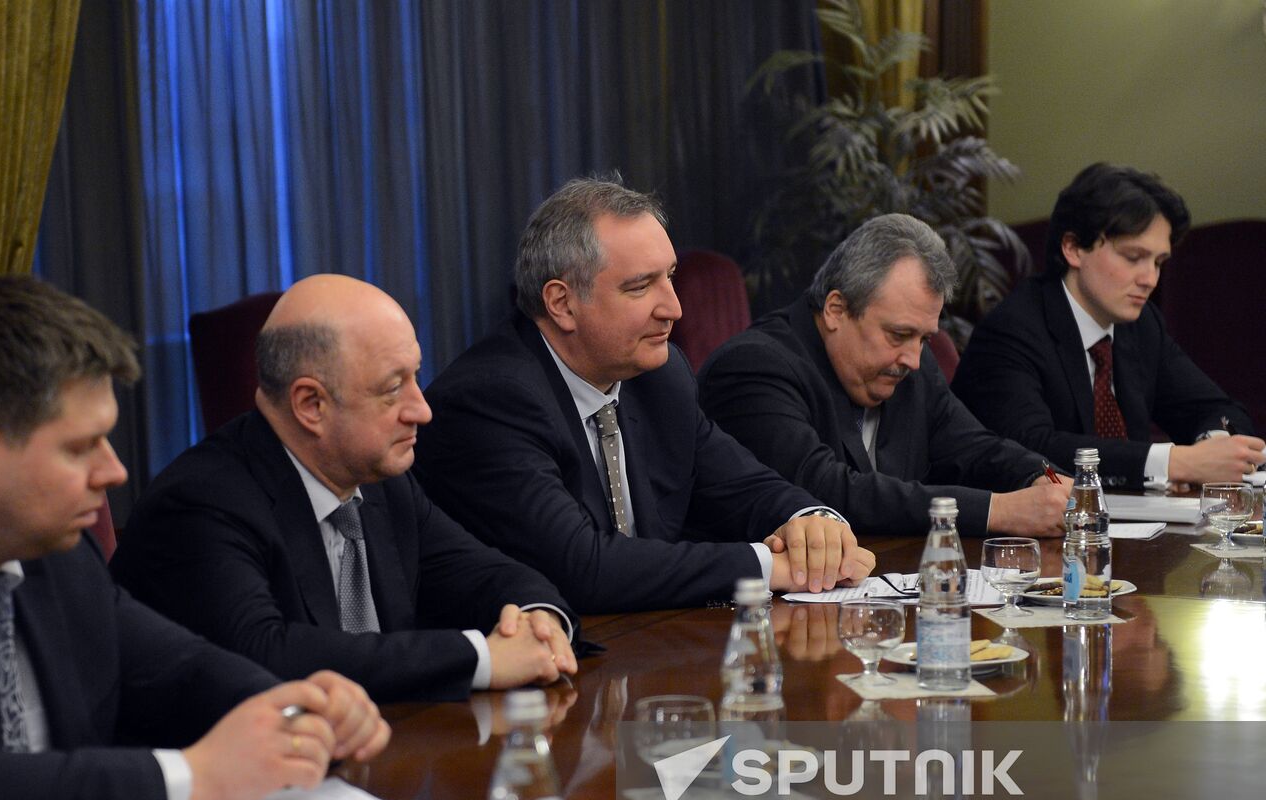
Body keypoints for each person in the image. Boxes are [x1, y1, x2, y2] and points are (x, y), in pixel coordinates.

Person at [0, 276, 389, 800]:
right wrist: (192, 779)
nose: (114, 471)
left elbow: (176, 668)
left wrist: (291, 713)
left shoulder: (52, 549)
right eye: (81, 446)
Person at [414, 176, 876, 613]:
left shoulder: (659, 376)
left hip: (643, 648)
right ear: (562, 303)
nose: (673, 308)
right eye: (640, 287)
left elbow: (746, 487)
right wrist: (773, 566)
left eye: (670, 277)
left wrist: (814, 525)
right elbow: (584, 567)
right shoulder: (490, 401)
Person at [111, 275, 577, 703]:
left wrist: (539, 619)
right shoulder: (201, 504)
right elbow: (268, 655)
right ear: (310, 404)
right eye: (393, 389)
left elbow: (479, 570)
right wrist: (481, 657)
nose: (422, 409)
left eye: (416, 376)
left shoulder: (380, 479)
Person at [698, 214, 1071, 537]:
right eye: (898, 334)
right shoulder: (754, 367)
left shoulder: (911, 365)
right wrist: (999, 511)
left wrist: (1049, 481)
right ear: (836, 309)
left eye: (924, 338)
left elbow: (978, 448)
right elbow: (824, 491)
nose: (912, 358)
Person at [952, 163, 1263, 489]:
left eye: (1158, 262)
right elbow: (1030, 446)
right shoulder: (1013, 329)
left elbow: (1217, 408)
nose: (1150, 280)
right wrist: (1173, 463)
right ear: (1073, 248)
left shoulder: (1141, 326)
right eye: (1133, 257)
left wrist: (1214, 446)